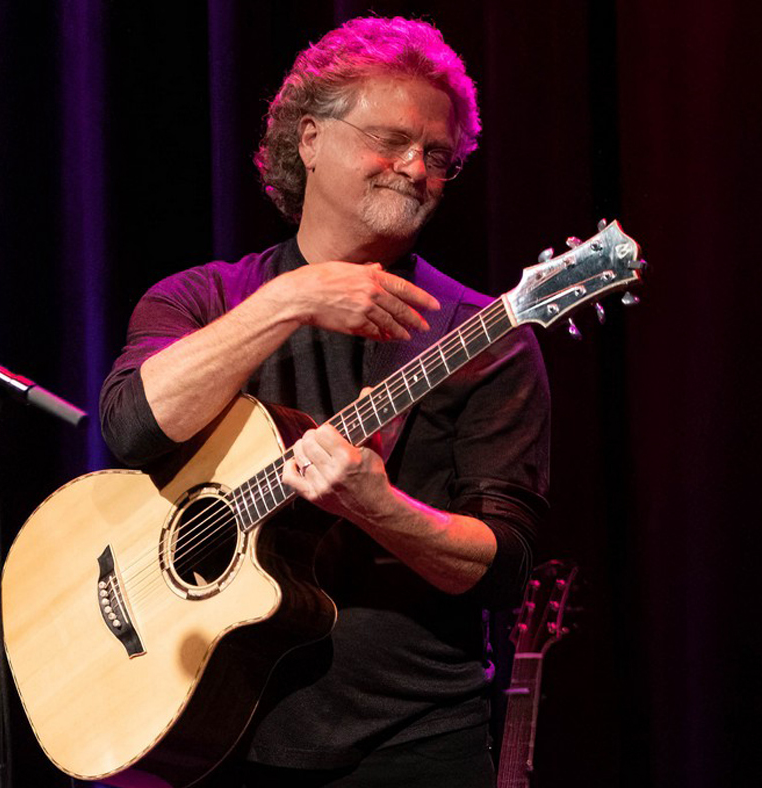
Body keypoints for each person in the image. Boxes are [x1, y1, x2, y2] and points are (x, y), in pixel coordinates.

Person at [98, 16, 550, 788]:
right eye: (392, 140)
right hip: (202, 724)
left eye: (439, 155)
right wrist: (291, 299)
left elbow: (504, 566)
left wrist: (380, 507)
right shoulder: (200, 298)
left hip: (409, 747)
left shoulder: (485, 337)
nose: (416, 168)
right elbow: (134, 426)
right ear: (309, 139)